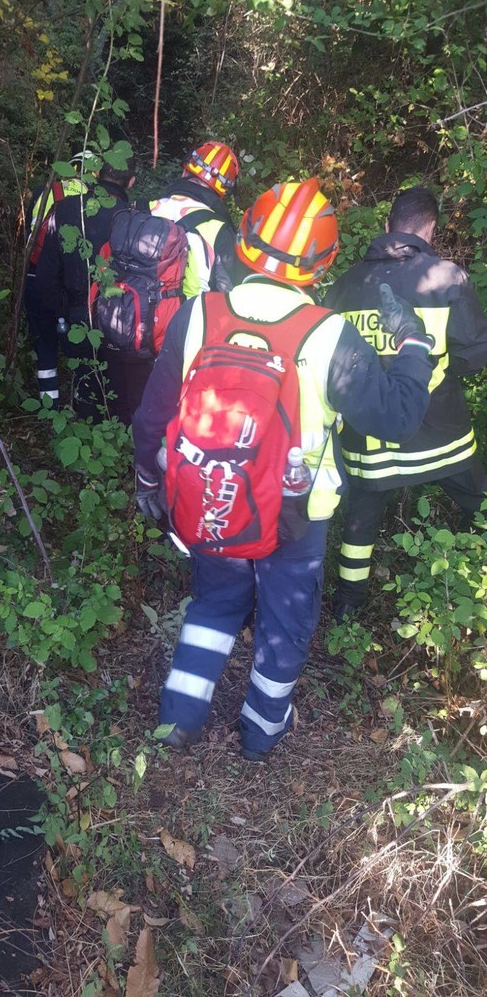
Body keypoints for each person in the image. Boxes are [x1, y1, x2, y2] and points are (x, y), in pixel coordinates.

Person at [132, 179, 434, 761]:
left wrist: (149, 478)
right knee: (284, 621)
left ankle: (178, 718)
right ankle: (262, 729)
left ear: (243, 238)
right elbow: (398, 416)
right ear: (321, 264)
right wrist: (412, 343)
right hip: (294, 516)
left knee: (214, 602)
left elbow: (151, 417)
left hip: (211, 493)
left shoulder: (199, 314)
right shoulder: (329, 334)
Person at [323, 186, 487, 619]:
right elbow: (474, 353)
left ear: (387, 225)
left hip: (368, 441)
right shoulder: (447, 278)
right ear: (430, 229)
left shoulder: (343, 286)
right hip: (441, 433)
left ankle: (347, 608)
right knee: (478, 499)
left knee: (360, 522)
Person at [34, 148, 137, 421]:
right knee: (118, 395)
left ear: (98, 173)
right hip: (120, 321)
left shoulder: (67, 208)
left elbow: (46, 274)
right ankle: (114, 437)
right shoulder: (132, 219)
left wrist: (63, 311)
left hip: (77, 316)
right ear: (131, 182)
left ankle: (84, 433)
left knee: (85, 389)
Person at [24, 151, 91, 408]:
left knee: (45, 342)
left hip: (37, 276)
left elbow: (29, 238)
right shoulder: (92, 197)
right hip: (75, 284)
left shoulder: (44, 192)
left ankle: (48, 406)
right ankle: (82, 405)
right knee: (82, 345)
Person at [148, 141, 245, 296]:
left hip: (133, 307)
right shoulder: (220, 231)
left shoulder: (148, 208)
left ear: (184, 172)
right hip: (189, 310)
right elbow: (230, 293)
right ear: (223, 192)